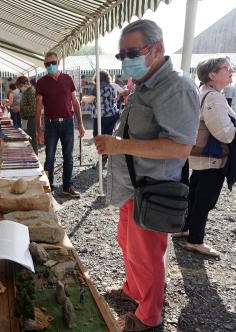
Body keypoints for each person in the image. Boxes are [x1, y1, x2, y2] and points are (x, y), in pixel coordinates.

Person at [94, 20, 199, 331]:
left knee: (148, 255)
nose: (126, 60)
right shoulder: (146, 83)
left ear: (158, 49)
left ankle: (148, 317)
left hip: (153, 190)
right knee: (128, 245)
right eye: (121, 55)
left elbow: (181, 148)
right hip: (134, 188)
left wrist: (120, 145)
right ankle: (133, 291)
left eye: (132, 53)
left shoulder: (176, 86)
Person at [174, 57, 235, 257]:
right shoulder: (214, 97)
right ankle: (196, 240)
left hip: (201, 156)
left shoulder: (203, 93)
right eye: (227, 68)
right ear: (212, 75)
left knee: (195, 194)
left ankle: (186, 228)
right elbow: (223, 133)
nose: (231, 71)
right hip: (212, 157)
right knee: (205, 200)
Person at [36, 51, 85, 197]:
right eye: (47, 64)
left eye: (53, 63)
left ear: (58, 63)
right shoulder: (41, 82)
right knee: (49, 157)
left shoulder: (67, 79)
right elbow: (38, 107)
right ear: (44, 65)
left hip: (68, 123)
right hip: (50, 124)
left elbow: (75, 102)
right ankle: (48, 186)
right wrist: (39, 130)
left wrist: (81, 124)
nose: (50, 66)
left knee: (68, 157)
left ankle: (67, 186)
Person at [82, 70, 120, 167]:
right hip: (112, 115)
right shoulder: (110, 86)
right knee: (108, 136)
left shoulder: (98, 86)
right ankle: (106, 156)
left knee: (97, 136)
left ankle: (104, 156)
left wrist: (83, 98)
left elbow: (90, 99)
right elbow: (114, 99)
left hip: (101, 116)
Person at [17, 76, 37, 153]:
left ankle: (34, 156)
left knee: (32, 139)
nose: (20, 88)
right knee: (27, 138)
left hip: (31, 118)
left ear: (25, 83)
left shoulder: (31, 92)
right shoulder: (26, 92)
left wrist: (21, 109)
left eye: (20, 86)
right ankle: (30, 154)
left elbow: (33, 108)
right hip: (26, 118)